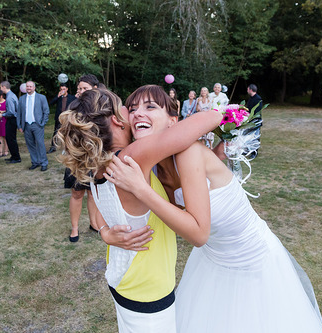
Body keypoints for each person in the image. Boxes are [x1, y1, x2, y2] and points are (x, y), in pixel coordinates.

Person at [104, 86, 322, 333]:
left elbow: (199, 235)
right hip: (212, 260)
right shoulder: (149, 166)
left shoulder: (188, 153)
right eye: (132, 109)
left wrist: (141, 190)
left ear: (173, 121)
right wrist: (105, 232)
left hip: (252, 259)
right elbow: (94, 184)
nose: (137, 114)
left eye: (150, 107)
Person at [56, 86, 221, 332]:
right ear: (116, 118)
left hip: (124, 281)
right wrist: (228, 114)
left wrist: (104, 232)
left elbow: (101, 210)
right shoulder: (133, 157)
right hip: (148, 295)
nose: (133, 114)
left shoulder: (99, 164)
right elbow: (209, 118)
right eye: (127, 107)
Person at [63, 74, 101, 242]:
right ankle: (75, 228)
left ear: (95, 88)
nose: (81, 91)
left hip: (95, 156)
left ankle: (94, 223)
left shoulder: (101, 106)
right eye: (79, 88)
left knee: (93, 193)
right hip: (77, 155)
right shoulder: (73, 106)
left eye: (85, 88)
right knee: (77, 192)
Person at [17, 81, 49, 171]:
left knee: (40, 144)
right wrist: (19, 125)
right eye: (27, 86)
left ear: (34, 88)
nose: (29, 88)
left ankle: (43, 163)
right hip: (26, 125)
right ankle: (35, 162)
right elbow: (19, 113)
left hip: (37, 125)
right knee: (30, 145)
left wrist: (43, 123)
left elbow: (46, 111)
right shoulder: (22, 99)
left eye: (30, 86)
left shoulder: (41, 97)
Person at [48, 83, 76, 154]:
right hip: (59, 118)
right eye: (61, 89)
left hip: (68, 118)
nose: (62, 90)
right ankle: (53, 147)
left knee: (68, 133)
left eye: (64, 89)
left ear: (67, 89)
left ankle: (69, 147)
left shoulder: (71, 97)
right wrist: (57, 96)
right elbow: (51, 103)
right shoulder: (59, 98)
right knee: (56, 132)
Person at [0, 81, 21, 164]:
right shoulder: (12, 95)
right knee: (10, 138)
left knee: (11, 139)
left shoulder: (9, 97)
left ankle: (16, 157)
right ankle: (13, 156)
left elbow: (11, 112)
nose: (0, 89)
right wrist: (5, 111)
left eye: (1, 87)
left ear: (4, 87)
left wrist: (3, 115)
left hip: (12, 120)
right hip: (13, 119)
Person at [243, 84, 263, 159]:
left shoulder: (258, 99)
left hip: (255, 121)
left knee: (255, 137)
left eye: (248, 89)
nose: (247, 90)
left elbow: (257, 111)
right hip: (249, 121)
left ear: (251, 90)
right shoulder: (251, 98)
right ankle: (247, 150)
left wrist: (251, 117)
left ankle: (254, 152)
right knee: (247, 136)